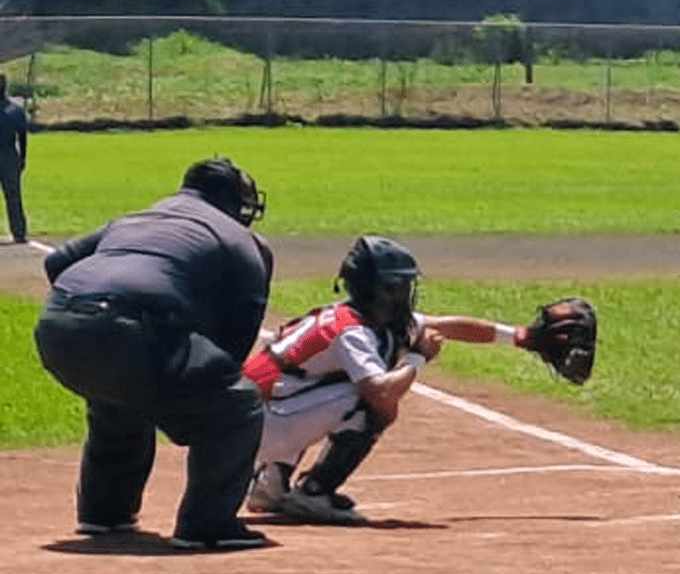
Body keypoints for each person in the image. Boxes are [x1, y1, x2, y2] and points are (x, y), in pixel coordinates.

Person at [34, 158, 273, 550]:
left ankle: (104, 514)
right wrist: (200, 395)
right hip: (130, 331)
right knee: (238, 405)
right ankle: (206, 525)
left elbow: (55, 262)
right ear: (233, 203)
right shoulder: (240, 240)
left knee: (122, 398)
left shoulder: (137, 217)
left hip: (57, 329)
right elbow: (237, 338)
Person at [244, 235, 544, 524]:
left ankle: (271, 484)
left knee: (323, 387)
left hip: (254, 422)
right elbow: (380, 392)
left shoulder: (362, 317)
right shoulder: (353, 333)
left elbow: (449, 326)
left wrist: (520, 337)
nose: (405, 292)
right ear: (377, 289)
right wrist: (419, 358)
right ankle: (314, 493)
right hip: (260, 426)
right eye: (397, 285)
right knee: (372, 402)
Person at [0, 73, 29, 243]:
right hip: (11, 155)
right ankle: (19, 232)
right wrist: (22, 157)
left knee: (13, 196)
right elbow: (23, 137)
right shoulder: (15, 110)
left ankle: (19, 231)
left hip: (9, 153)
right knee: (14, 196)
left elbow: (23, 136)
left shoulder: (14, 110)